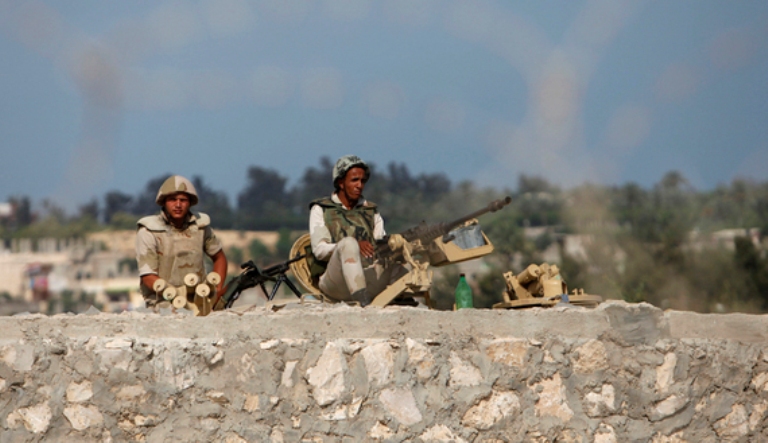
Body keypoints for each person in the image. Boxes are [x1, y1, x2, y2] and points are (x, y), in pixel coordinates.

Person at [308, 155, 405, 306]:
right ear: (341, 183)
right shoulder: (321, 209)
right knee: (348, 244)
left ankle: (404, 298)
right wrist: (352, 246)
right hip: (335, 282)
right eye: (354, 180)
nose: (359, 185)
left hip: (367, 277)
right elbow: (319, 250)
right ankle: (362, 300)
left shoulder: (371, 211)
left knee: (403, 251)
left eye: (362, 181)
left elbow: (381, 244)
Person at [135, 175, 228, 308]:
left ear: (189, 203)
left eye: (183, 200)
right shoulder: (149, 231)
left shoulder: (200, 227)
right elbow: (148, 277)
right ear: (164, 202)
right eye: (172, 200)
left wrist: (216, 290)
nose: (178, 205)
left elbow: (219, 258)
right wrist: (174, 295)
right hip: (163, 303)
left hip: (199, 301)